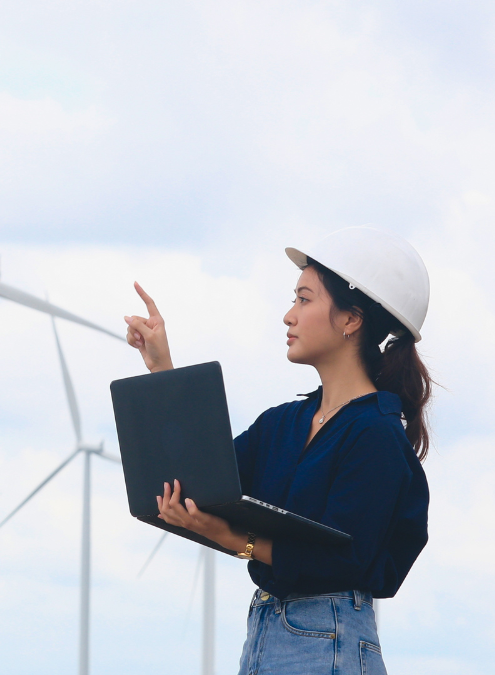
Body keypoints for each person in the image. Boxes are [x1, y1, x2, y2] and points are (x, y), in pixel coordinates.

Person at [123, 227, 432, 675]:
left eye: (304, 299)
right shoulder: (282, 424)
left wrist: (237, 541)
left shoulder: (376, 434)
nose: (289, 315)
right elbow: (204, 481)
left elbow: (348, 558)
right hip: (267, 630)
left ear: (351, 319)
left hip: (328, 636)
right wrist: (161, 368)